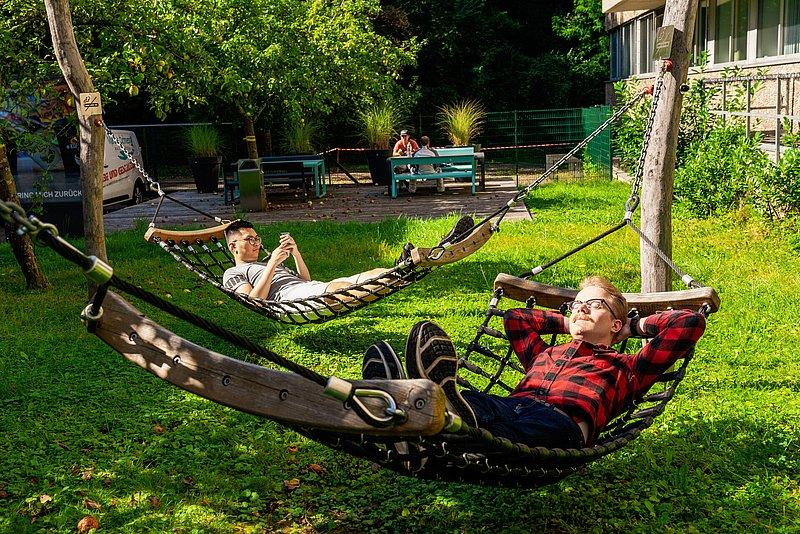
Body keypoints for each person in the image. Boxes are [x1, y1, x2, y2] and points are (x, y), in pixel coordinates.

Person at [362, 275, 706, 449]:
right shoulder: (544, 354)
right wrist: (573, 323)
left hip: (560, 424)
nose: (582, 308)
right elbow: (516, 319)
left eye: (594, 304)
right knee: (474, 403)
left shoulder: (628, 368)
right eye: (577, 304)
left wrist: (633, 326)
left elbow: (688, 324)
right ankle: (414, 409)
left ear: (615, 324)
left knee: (497, 436)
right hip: (510, 406)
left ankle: (422, 412)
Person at [223, 220, 397, 302]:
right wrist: (272, 264)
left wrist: (296, 254)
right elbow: (253, 301)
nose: (256, 244)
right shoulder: (232, 273)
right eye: (249, 240)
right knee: (342, 289)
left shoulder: (262, 265)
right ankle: (401, 273)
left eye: (257, 239)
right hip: (291, 298)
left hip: (309, 287)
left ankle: (402, 270)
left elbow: (305, 280)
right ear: (233, 247)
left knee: (374, 273)